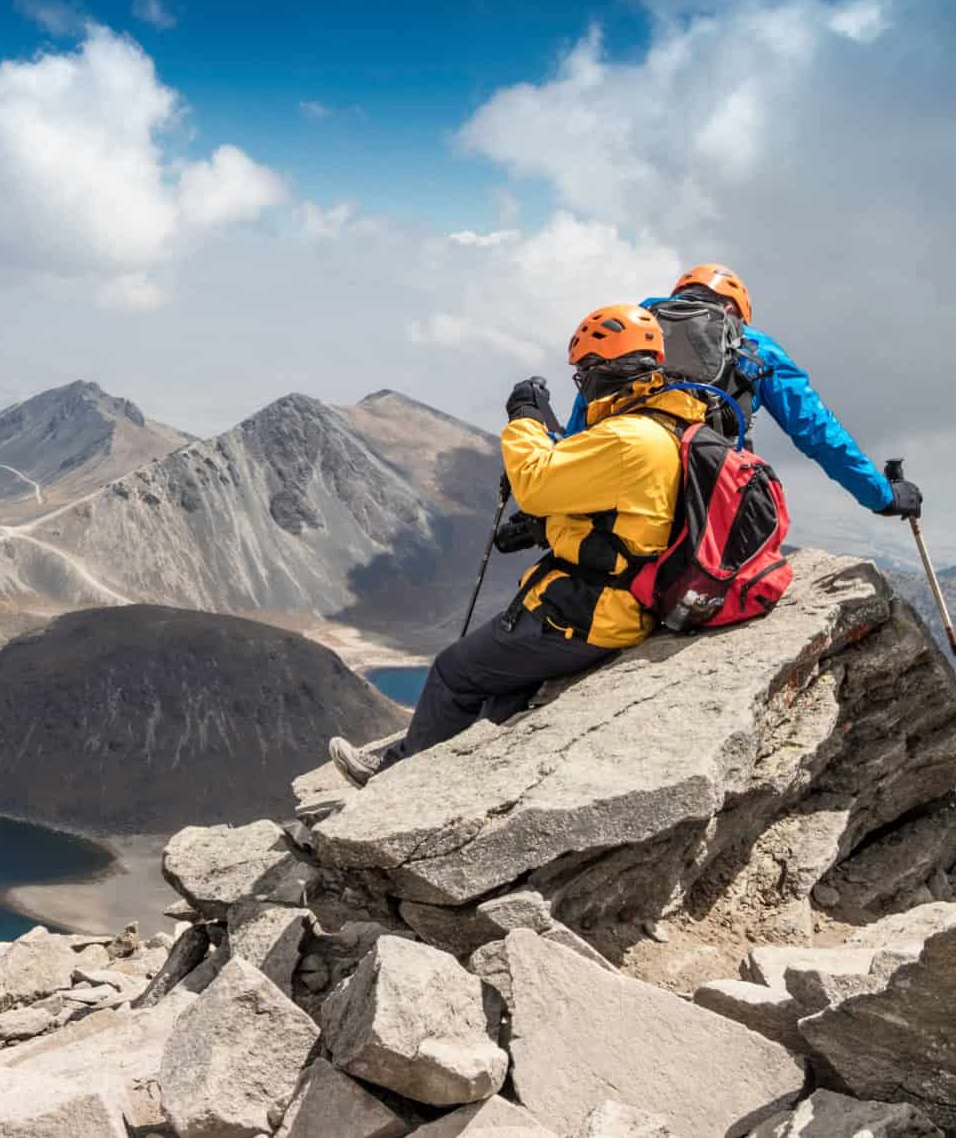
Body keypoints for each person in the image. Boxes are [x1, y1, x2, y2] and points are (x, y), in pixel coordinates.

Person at [329, 303, 707, 787]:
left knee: (453, 671)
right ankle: (455, 775)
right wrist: (543, 531)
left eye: (584, 373)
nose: (582, 385)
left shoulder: (627, 438)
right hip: (623, 603)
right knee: (500, 693)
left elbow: (532, 481)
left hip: (587, 613)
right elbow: (622, 520)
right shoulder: (662, 426)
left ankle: (394, 782)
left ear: (603, 370)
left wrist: (525, 419)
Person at [560, 264, 922, 520]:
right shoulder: (753, 347)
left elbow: (583, 419)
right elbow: (818, 432)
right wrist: (883, 496)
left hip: (612, 482)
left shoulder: (632, 335)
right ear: (735, 309)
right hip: (702, 495)